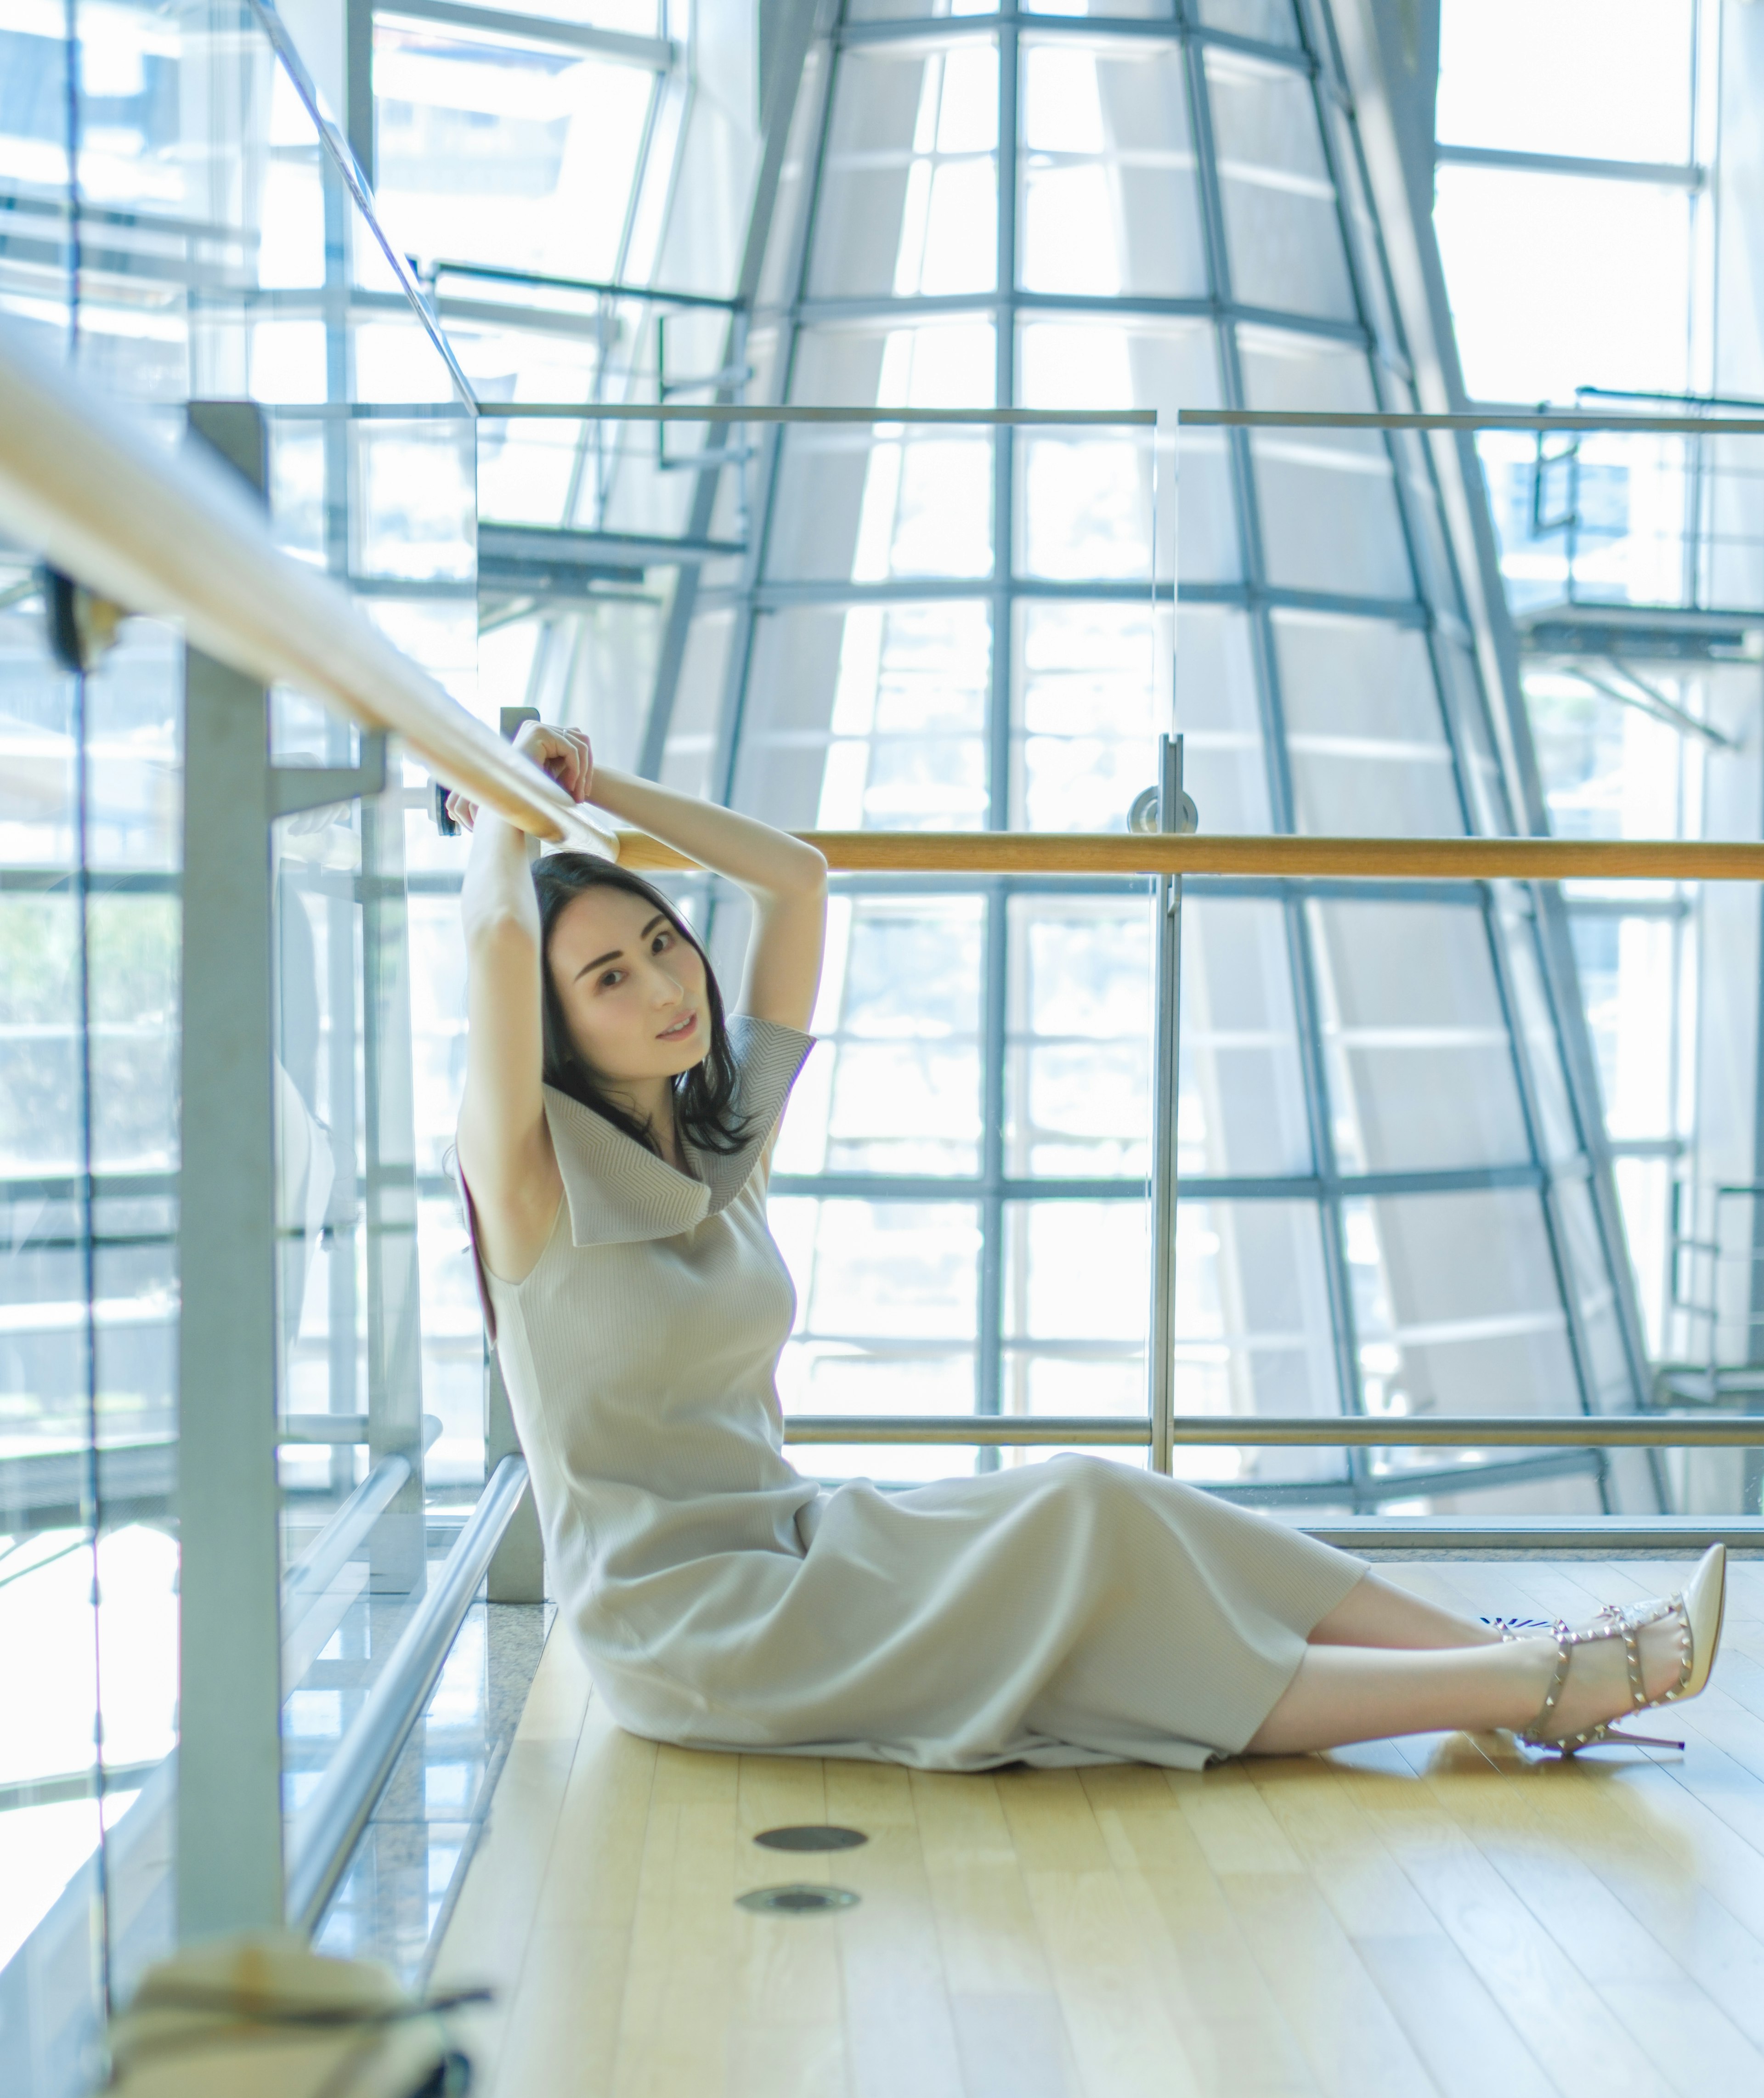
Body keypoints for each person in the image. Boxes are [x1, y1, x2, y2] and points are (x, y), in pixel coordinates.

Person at [449, 721, 1724, 1773]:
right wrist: (505, 810)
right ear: (555, 1033)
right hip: (690, 1627)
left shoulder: (714, 1153)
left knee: (1104, 1498)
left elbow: (796, 878)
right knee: (1083, 1596)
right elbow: (501, 939)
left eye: (663, 943)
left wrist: (594, 788)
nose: (671, 988)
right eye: (610, 980)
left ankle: (1488, 1661)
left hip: (801, 1539)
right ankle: (1521, 1686)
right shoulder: (530, 1190)